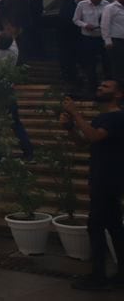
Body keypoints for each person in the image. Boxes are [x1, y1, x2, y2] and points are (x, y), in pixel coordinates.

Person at [60, 79, 124, 291]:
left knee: (95, 226)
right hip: (101, 176)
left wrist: (76, 114)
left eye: (106, 87)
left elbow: (95, 136)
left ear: (118, 94)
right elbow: (83, 141)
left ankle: (98, 275)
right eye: (99, 85)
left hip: (108, 178)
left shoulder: (116, 117)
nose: (99, 88)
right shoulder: (102, 117)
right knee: (114, 226)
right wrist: (70, 128)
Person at [0, 22, 33, 164]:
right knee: (15, 123)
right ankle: (28, 152)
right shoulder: (13, 52)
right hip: (8, 91)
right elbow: (12, 35)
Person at [74, 0, 110, 98]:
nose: (98, 0)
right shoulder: (82, 5)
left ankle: (108, 86)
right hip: (88, 38)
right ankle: (92, 87)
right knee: (90, 64)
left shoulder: (106, 4)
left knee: (107, 62)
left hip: (102, 37)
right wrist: (85, 25)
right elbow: (75, 19)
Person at [103, 0, 124, 80]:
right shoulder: (110, 8)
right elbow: (105, 24)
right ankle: (118, 88)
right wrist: (107, 41)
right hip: (116, 41)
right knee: (118, 65)